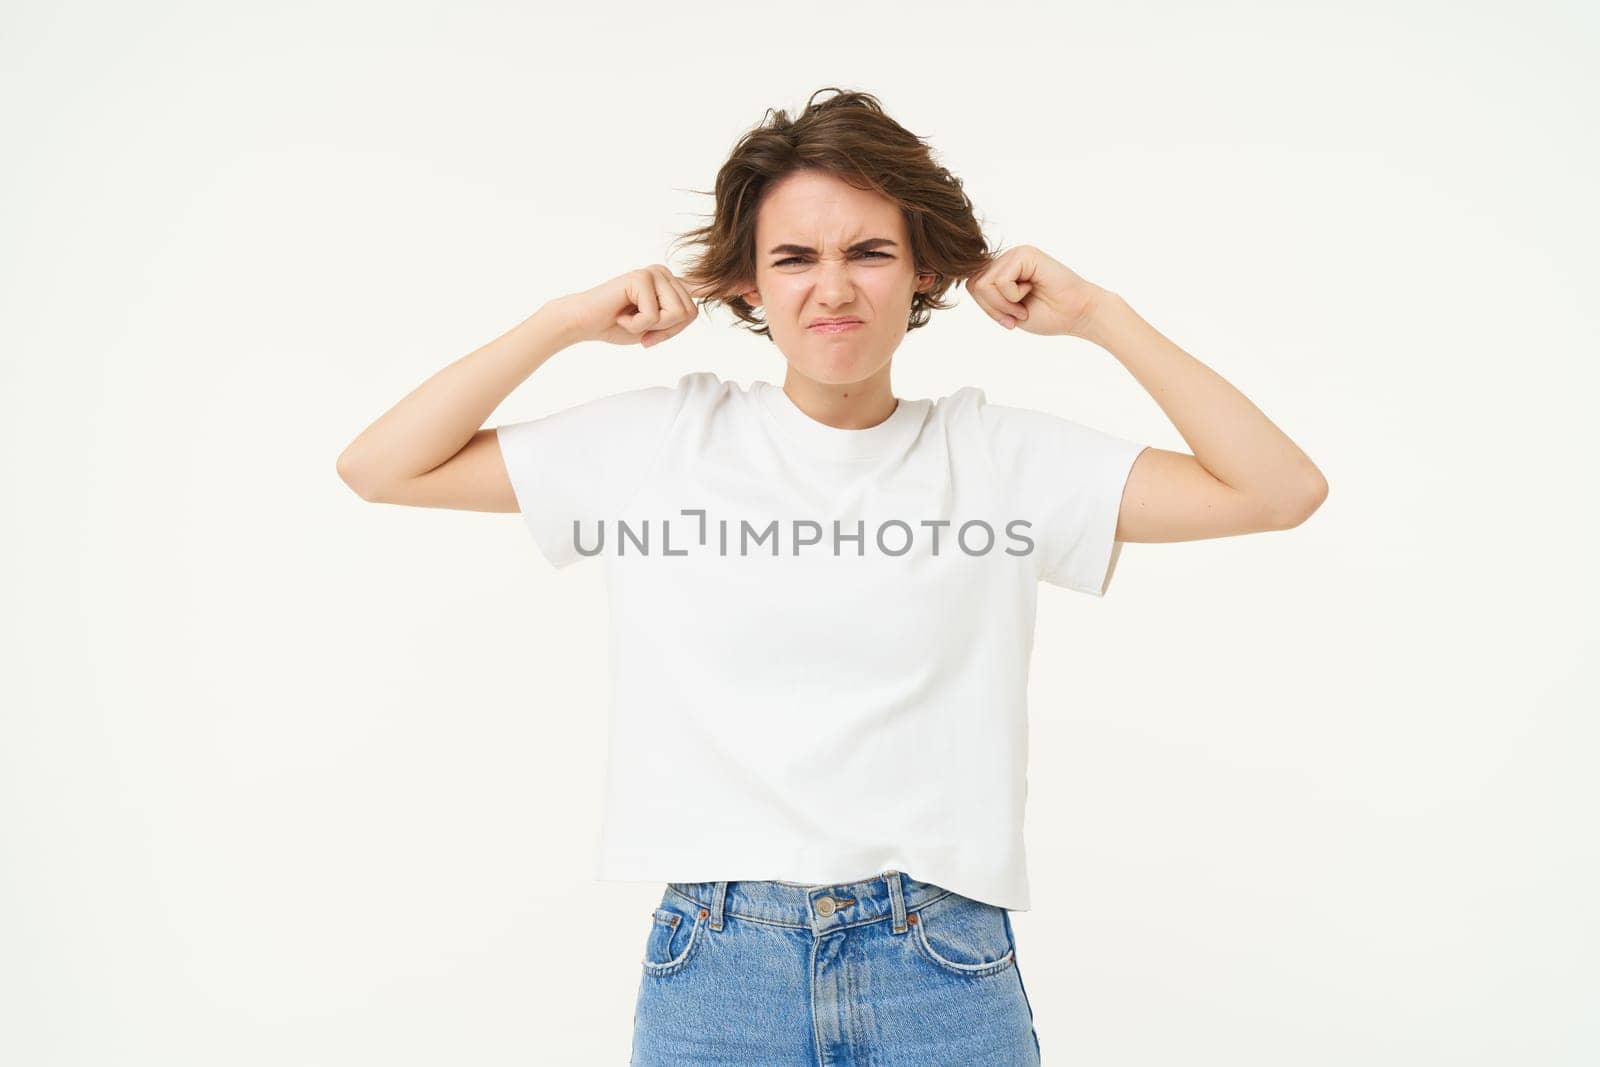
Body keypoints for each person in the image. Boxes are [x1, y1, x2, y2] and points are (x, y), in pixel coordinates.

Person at [336, 87, 1327, 1065]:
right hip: (716, 964)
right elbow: (381, 467)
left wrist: (1103, 317)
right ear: (746, 285)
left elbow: (1277, 489)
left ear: (921, 271)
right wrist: (560, 322)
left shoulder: (991, 456)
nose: (833, 286)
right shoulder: (663, 442)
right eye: (794, 257)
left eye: (868, 251)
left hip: (938, 960)